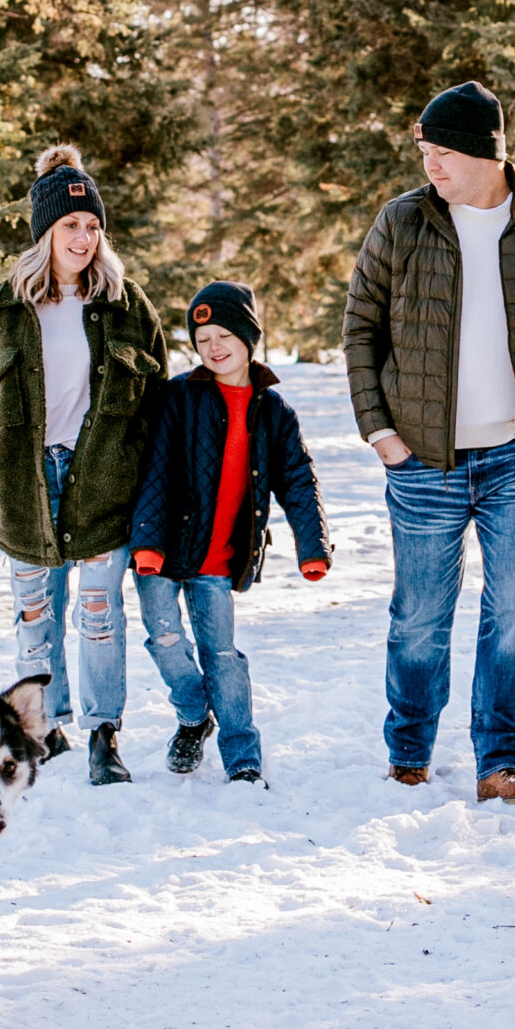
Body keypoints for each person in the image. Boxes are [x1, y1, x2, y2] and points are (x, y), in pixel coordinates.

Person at [342, 81, 515, 804]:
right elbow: (359, 330)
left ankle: (502, 760)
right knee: (419, 619)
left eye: (443, 152)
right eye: (424, 150)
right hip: (423, 459)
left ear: (488, 154)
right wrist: (381, 431)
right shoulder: (401, 223)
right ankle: (409, 750)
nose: (430, 164)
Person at [0, 145, 168, 785]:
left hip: (102, 482)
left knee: (100, 616)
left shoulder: (125, 303)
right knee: (35, 618)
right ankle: (43, 730)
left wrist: (138, 470)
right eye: (71, 226)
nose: (83, 237)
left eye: (93, 226)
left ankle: (104, 734)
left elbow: (158, 399)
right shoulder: (2, 308)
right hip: (23, 487)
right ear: (45, 232)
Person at [129, 281, 332, 785]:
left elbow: (299, 481)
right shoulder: (180, 396)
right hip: (164, 550)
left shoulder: (275, 412)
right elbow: (155, 470)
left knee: (222, 655)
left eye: (224, 335)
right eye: (203, 340)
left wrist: (313, 547)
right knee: (164, 639)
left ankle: (242, 755)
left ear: (248, 337)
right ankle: (194, 714)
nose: (214, 347)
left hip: (221, 558)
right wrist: (148, 543)